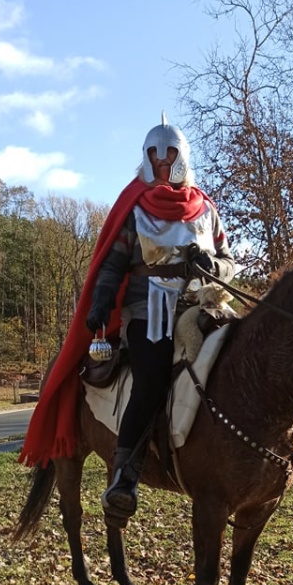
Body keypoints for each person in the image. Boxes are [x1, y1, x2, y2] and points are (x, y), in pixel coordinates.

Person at [85, 115, 235, 523]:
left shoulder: (206, 209)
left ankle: (270, 444)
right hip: (147, 310)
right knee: (150, 379)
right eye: (156, 156)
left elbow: (228, 261)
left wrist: (213, 266)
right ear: (147, 159)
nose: (163, 163)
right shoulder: (135, 209)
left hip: (203, 304)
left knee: (245, 354)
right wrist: (101, 300)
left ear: (182, 157)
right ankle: (125, 476)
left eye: (169, 156)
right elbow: (114, 264)